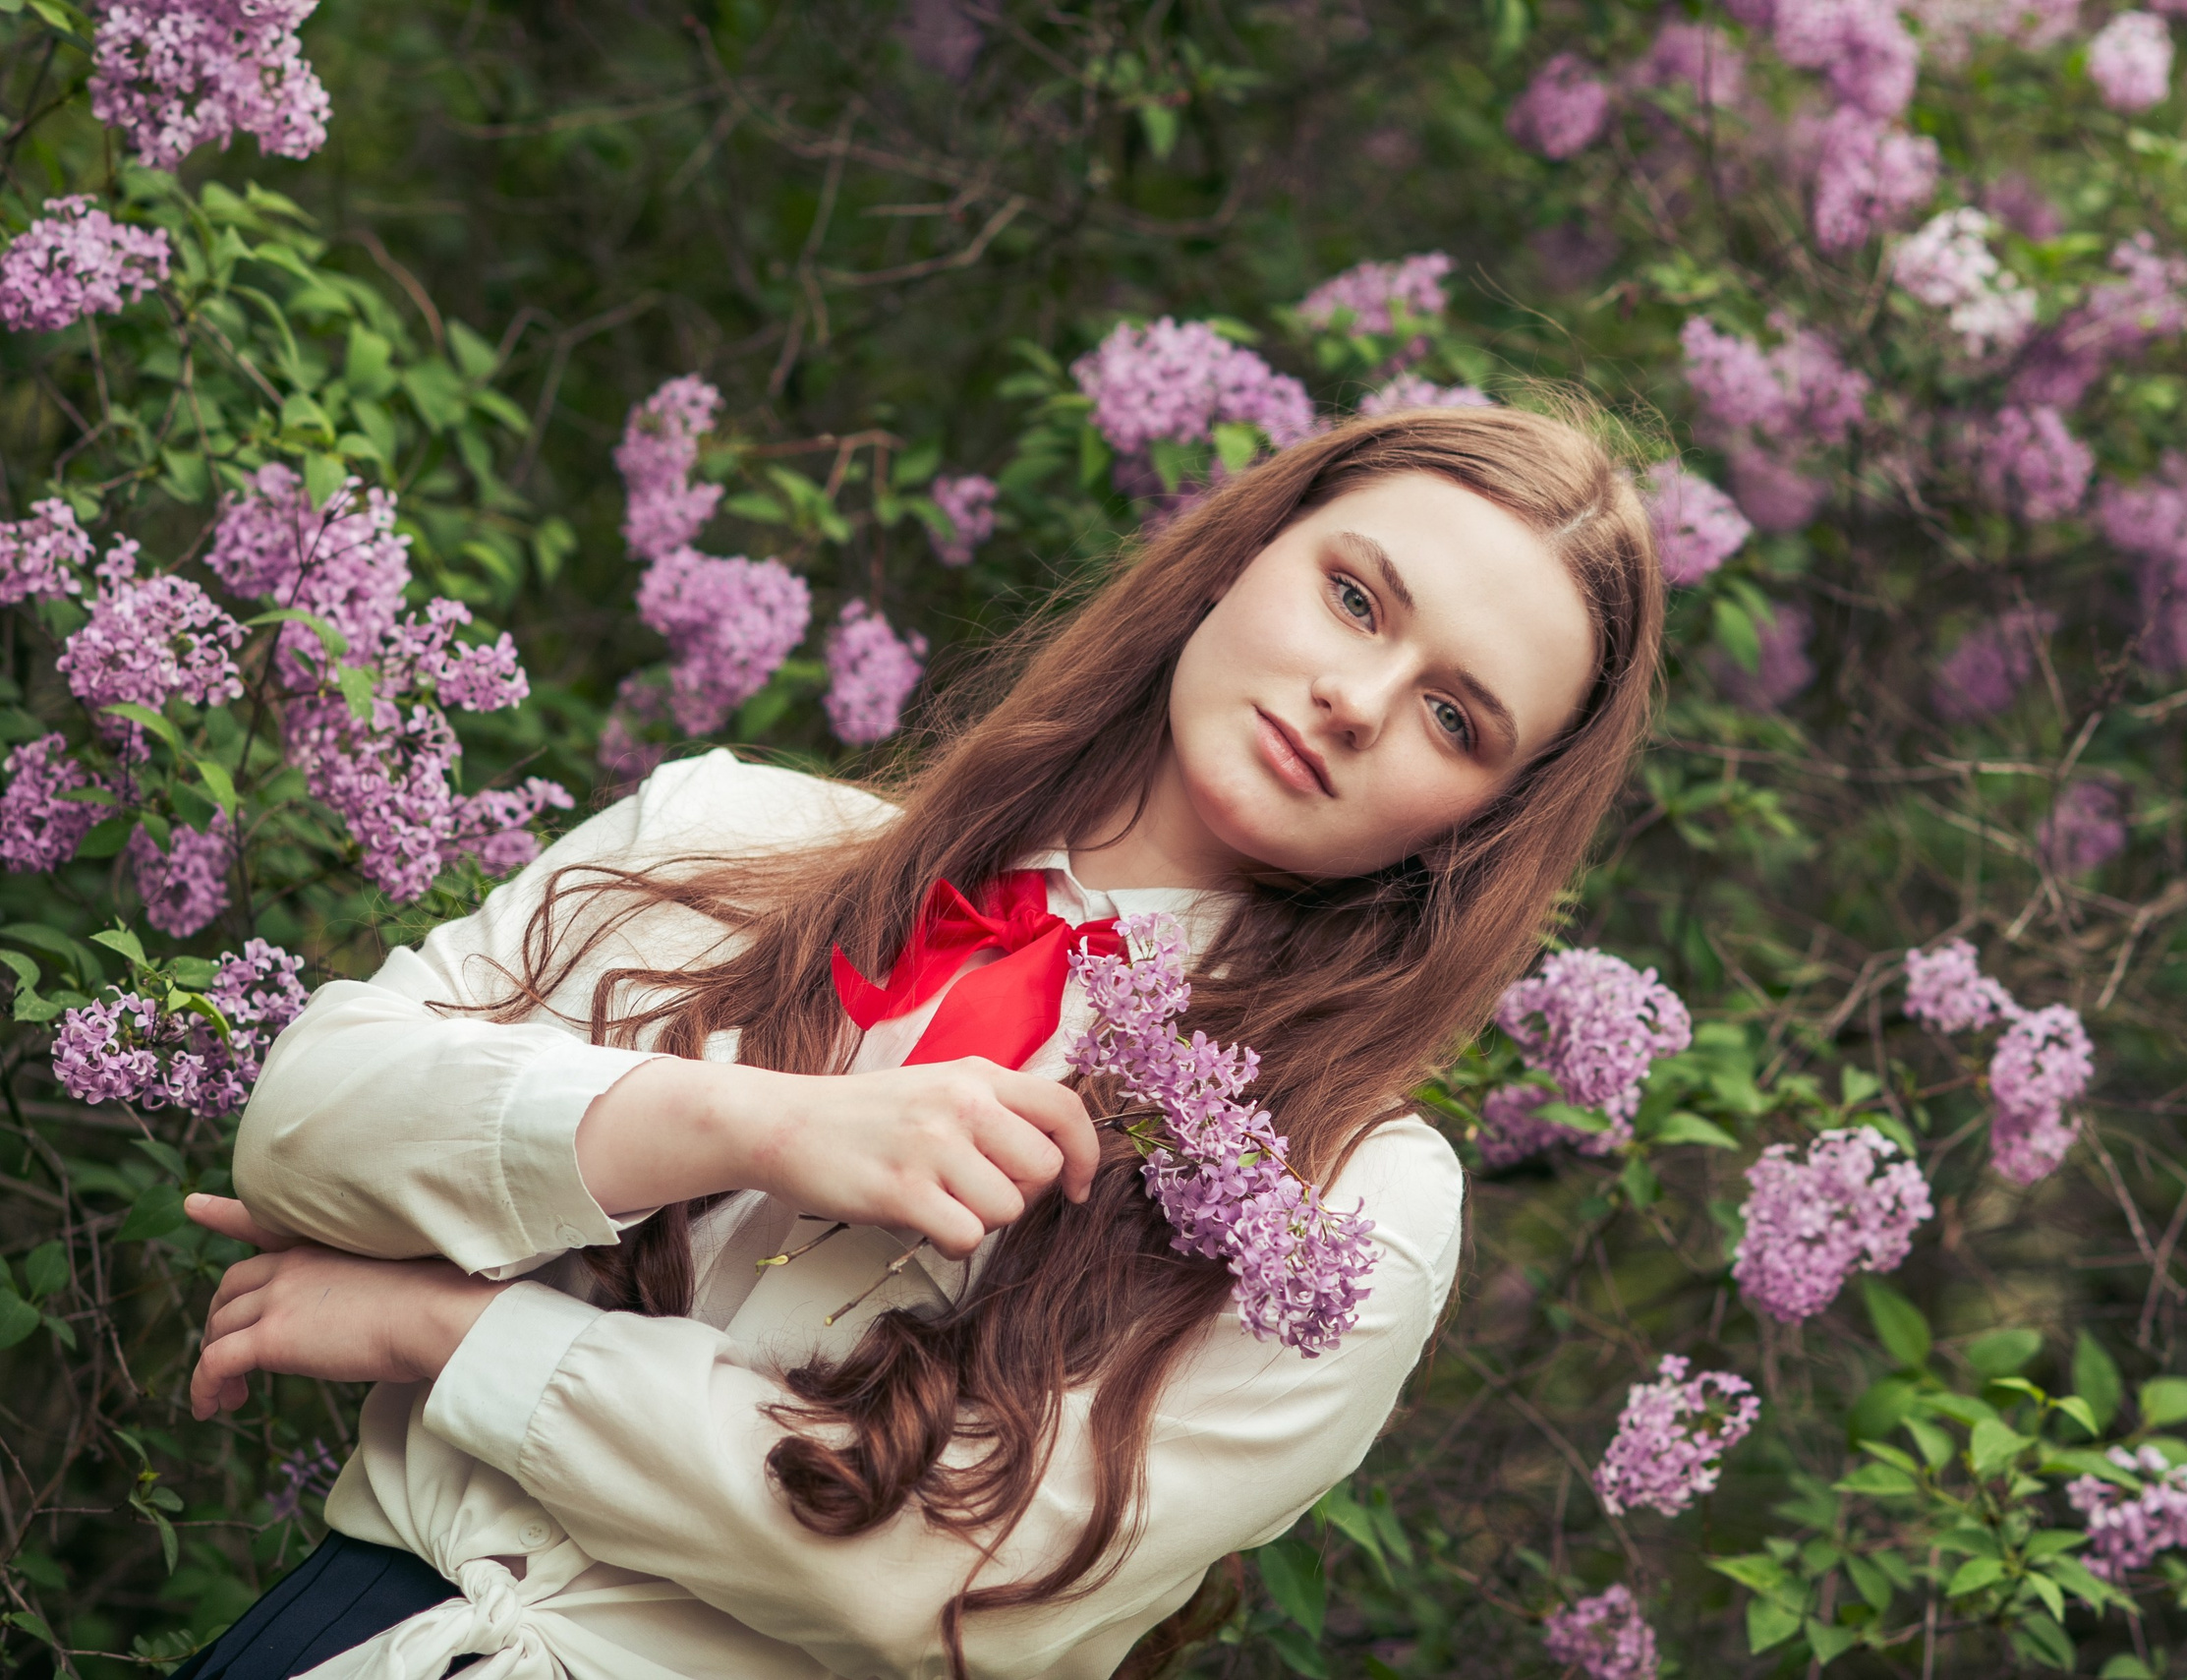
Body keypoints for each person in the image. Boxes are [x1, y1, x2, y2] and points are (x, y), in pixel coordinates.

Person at [176, 403, 1663, 1680]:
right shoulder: (733, 829)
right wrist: (752, 1120)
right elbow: (308, 1117)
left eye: (1455, 718)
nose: (1358, 700)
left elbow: (959, 1584)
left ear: (1477, 826)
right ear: (1239, 557)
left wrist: (456, 1329)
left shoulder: (1351, 1199)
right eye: (1356, 597)